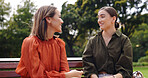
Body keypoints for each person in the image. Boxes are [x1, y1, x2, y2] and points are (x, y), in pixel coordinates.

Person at [15, 5, 83, 78]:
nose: (62, 21)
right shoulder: (30, 43)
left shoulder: (60, 44)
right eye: (59, 17)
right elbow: (38, 76)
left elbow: (64, 70)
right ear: (48, 19)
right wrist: (66, 75)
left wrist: (65, 75)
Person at [82, 6, 133, 78]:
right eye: (98, 17)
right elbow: (87, 63)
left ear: (113, 19)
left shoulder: (124, 41)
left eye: (102, 17)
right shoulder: (93, 41)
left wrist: (112, 77)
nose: (99, 20)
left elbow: (126, 69)